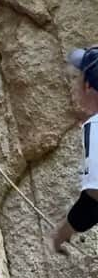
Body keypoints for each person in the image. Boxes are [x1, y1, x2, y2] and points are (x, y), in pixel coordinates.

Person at [52, 47, 98, 253]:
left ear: (88, 87)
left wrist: (61, 234)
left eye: (78, 79)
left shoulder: (96, 126)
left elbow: (95, 197)